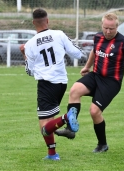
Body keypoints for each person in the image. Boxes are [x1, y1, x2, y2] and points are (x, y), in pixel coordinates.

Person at [54, 12, 124, 153]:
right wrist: (87, 67)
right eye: (105, 28)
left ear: (117, 27)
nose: (108, 32)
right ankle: (70, 129)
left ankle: (102, 145)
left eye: (111, 29)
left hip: (111, 82)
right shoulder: (98, 37)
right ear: (102, 25)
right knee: (74, 91)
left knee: (94, 112)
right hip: (96, 76)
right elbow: (94, 51)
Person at [21, 8, 84, 160]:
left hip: (46, 84)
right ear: (47, 20)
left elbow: (30, 72)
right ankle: (52, 154)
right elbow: (78, 53)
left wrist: (24, 55)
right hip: (61, 83)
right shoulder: (59, 34)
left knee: (44, 127)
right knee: (49, 122)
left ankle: (67, 118)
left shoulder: (29, 44)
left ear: (33, 23)